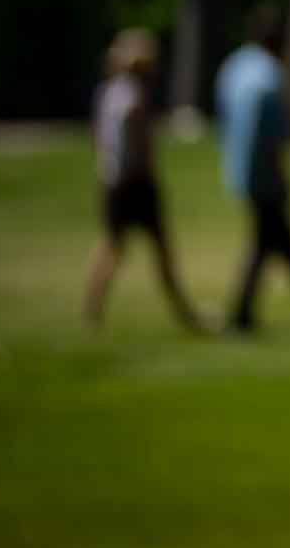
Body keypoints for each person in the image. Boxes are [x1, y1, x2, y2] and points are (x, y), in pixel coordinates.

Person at [216, 8, 290, 331]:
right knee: (274, 241)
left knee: (274, 241)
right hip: (264, 174)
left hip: (238, 169)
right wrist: (280, 172)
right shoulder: (269, 76)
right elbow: (269, 136)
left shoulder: (234, 67)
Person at [83, 28, 205, 331]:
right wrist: (150, 177)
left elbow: (97, 137)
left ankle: (93, 311)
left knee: (111, 245)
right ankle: (183, 312)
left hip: (111, 180)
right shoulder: (135, 97)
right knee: (159, 250)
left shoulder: (108, 93)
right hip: (136, 183)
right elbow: (142, 147)